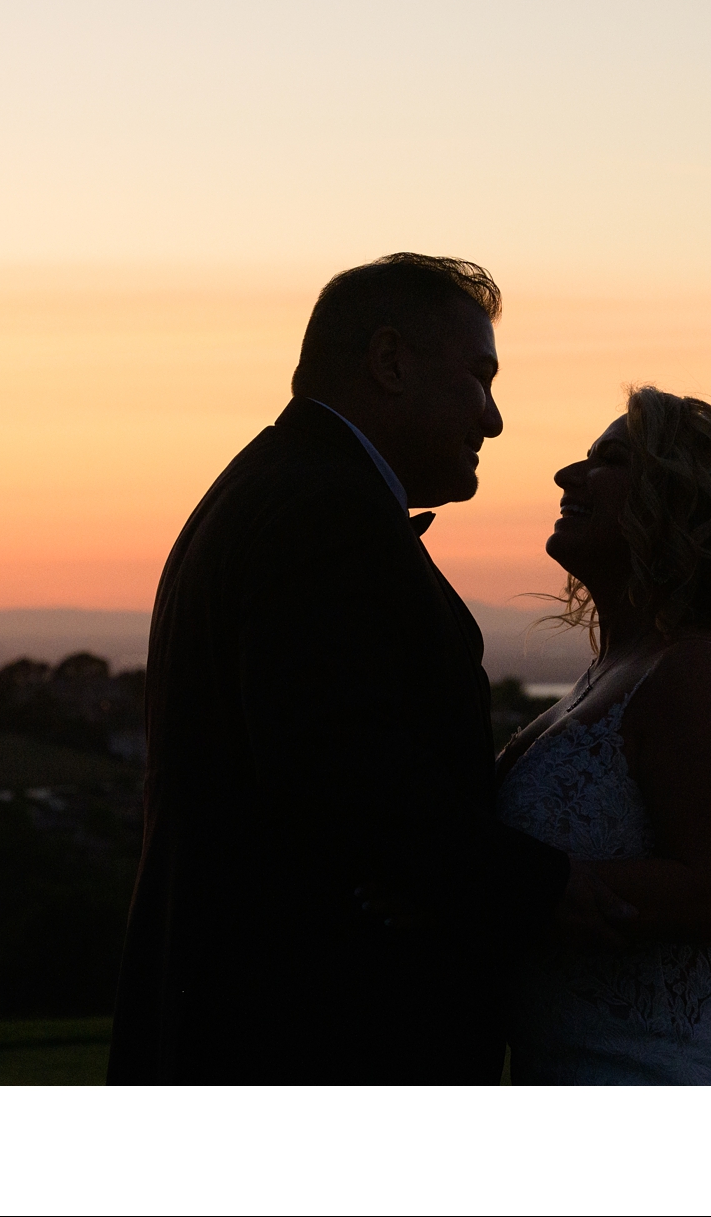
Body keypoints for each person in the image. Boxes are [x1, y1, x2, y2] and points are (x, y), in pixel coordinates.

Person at [107, 253, 636, 1084]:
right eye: (478, 378)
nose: (493, 420)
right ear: (390, 362)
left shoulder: (278, 487)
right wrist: (549, 891)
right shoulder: (325, 516)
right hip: (308, 1040)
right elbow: (346, 782)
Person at [495, 385, 711, 1083]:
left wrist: (500, 885)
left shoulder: (698, 672)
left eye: (611, 460)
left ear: (680, 506)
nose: (569, 475)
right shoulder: (619, 667)